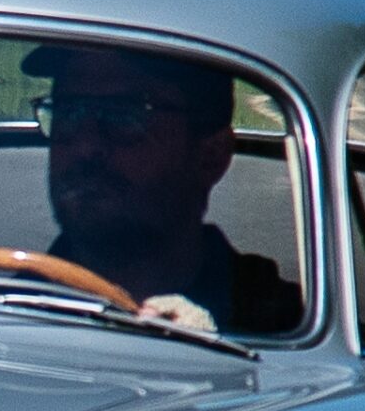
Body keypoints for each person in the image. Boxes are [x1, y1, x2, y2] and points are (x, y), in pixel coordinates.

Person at [28, 43, 303, 335]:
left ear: (211, 156)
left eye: (125, 115)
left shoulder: (282, 326)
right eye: (68, 112)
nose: (86, 146)